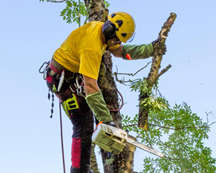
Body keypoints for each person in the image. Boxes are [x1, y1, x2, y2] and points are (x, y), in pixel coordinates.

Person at [44, 12, 162, 173]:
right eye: (116, 39)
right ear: (109, 30)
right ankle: (78, 171)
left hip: (71, 77)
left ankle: (82, 168)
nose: (117, 43)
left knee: (89, 119)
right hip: (63, 82)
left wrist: (150, 49)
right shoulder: (91, 46)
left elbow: (120, 51)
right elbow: (90, 86)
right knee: (83, 126)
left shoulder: (103, 32)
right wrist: (106, 120)